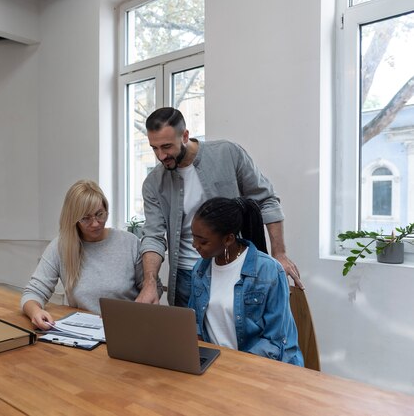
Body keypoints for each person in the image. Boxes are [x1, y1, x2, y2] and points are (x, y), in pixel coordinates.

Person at [136, 107, 301, 307]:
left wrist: (279, 254)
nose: (161, 156)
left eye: (167, 147)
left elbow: (266, 200)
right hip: (186, 277)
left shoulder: (228, 153)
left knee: (236, 335)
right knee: (187, 338)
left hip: (235, 269)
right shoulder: (153, 183)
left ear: (185, 136)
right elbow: (153, 236)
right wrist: (150, 283)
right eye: (154, 148)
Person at [21, 180, 162, 330]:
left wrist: (133, 312)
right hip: (83, 332)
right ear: (73, 219)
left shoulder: (130, 243)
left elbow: (154, 288)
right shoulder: (61, 247)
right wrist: (35, 312)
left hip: (127, 328)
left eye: (100, 214)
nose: (95, 223)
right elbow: (33, 292)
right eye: (86, 218)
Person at [188, 197, 304, 366]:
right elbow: (195, 324)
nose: (194, 245)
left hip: (262, 368)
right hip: (218, 366)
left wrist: (234, 365)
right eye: (193, 237)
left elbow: (275, 340)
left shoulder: (268, 270)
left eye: (203, 241)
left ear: (228, 239)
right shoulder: (200, 269)